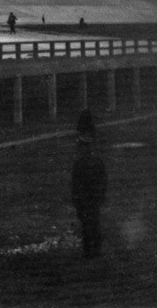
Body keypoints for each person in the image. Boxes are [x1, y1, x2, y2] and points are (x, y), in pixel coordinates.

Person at [71, 109, 107, 259]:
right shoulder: (96, 160)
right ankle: (95, 249)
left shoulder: (80, 161)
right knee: (94, 219)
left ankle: (89, 250)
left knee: (87, 221)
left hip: (86, 194)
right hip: (94, 193)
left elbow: (76, 181)